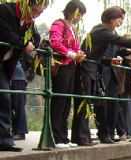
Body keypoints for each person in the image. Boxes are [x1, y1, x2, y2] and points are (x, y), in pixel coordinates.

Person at [75, 6, 131, 145]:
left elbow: (96, 55)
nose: (121, 22)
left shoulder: (103, 31)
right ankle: (81, 137)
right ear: (111, 19)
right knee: (85, 102)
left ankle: (93, 135)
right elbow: (120, 41)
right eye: (119, 19)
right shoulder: (101, 31)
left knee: (96, 103)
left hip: (94, 69)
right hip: (87, 69)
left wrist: (109, 60)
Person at [0, 0, 47, 152]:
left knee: (5, 97)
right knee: (4, 96)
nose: (36, 16)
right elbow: (4, 32)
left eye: (40, 13)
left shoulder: (29, 21)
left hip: (6, 64)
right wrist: (24, 43)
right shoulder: (5, 10)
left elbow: (36, 39)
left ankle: (4, 140)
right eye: (35, 11)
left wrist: (30, 43)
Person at [49, 0, 87, 149]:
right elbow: (55, 42)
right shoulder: (59, 24)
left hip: (71, 67)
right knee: (59, 100)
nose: (79, 18)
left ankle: (63, 137)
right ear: (72, 11)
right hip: (62, 66)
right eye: (79, 14)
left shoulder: (73, 28)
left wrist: (79, 54)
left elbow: (75, 48)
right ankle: (56, 136)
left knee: (66, 102)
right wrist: (72, 54)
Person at [11, 60, 28, 140]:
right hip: (10, 75)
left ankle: (20, 132)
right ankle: (12, 130)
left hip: (17, 77)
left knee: (18, 106)